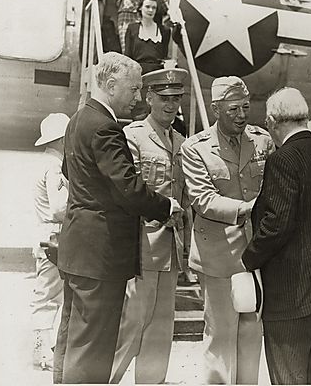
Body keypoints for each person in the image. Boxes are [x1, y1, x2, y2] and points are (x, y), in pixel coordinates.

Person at [53, 52, 182, 384]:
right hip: (100, 255)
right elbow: (128, 187)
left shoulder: (78, 119)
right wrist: (166, 208)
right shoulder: (106, 127)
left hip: (77, 249)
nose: (137, 98)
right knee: (93, 348)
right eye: (134, 89)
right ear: (111, 85)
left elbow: (70, 172)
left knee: (71, 340)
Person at [241, 87, 311, 385]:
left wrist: (248, 259)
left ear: (274, 121)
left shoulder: (283, 160)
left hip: (292, 291)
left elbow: (277, 225)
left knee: (288, 376)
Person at [181, 76, 274, 384]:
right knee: (221, 332)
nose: (241, 115)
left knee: (251, 329)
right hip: (218, 256)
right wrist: (250, 209)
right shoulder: (195, 148)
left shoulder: (262, 140)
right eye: (233, 108)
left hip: (257, 253)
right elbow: (203, 199)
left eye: (246, 107)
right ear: (216, 108)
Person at [110, 67, 191, 384]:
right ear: (149, 98)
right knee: (132, 325)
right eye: (164, 99)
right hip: (141, 250)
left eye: (176, 99)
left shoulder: (183, 142)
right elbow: (127, 195)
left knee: (160, 331)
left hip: (170, 251)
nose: (171, 106)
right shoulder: (133, 137)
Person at [31, 113, 70, 371]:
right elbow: (59, 208)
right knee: (49, 294)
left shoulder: (41, 162)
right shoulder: (55, 166)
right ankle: (42, 349)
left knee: (47, 292)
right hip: (55, 234)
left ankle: (43, 345)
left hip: (44, 233)